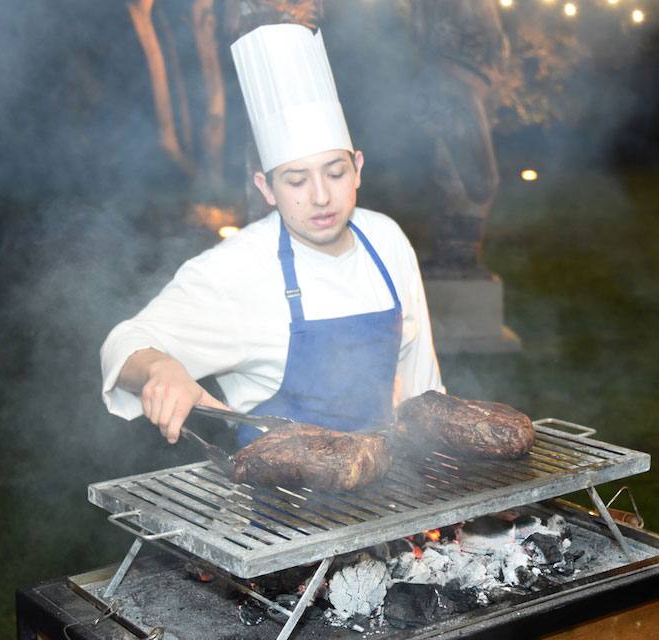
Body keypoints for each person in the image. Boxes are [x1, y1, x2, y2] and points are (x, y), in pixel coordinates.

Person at [100, 23, 443, 447]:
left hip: (392, 493)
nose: (321, 197)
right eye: (296, 181)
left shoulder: (386, 240)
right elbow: (124, 343)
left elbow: (422, 387)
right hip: (282, 502)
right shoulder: (240, 267)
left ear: (357, 167)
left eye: (335, 173)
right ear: (266, 189)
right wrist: (159, 369)